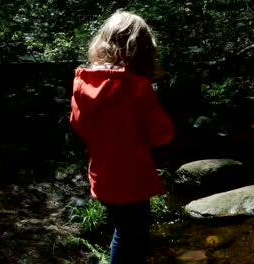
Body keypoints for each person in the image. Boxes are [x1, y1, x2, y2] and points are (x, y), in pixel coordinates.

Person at [70, 10, 174, 264]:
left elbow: (78, 125)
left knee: (123, 231)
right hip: (132, 180)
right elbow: (163, 135)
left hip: (102, 176)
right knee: (132, 236)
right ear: (141, 49)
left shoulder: (83, 83)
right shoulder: (138, 87)